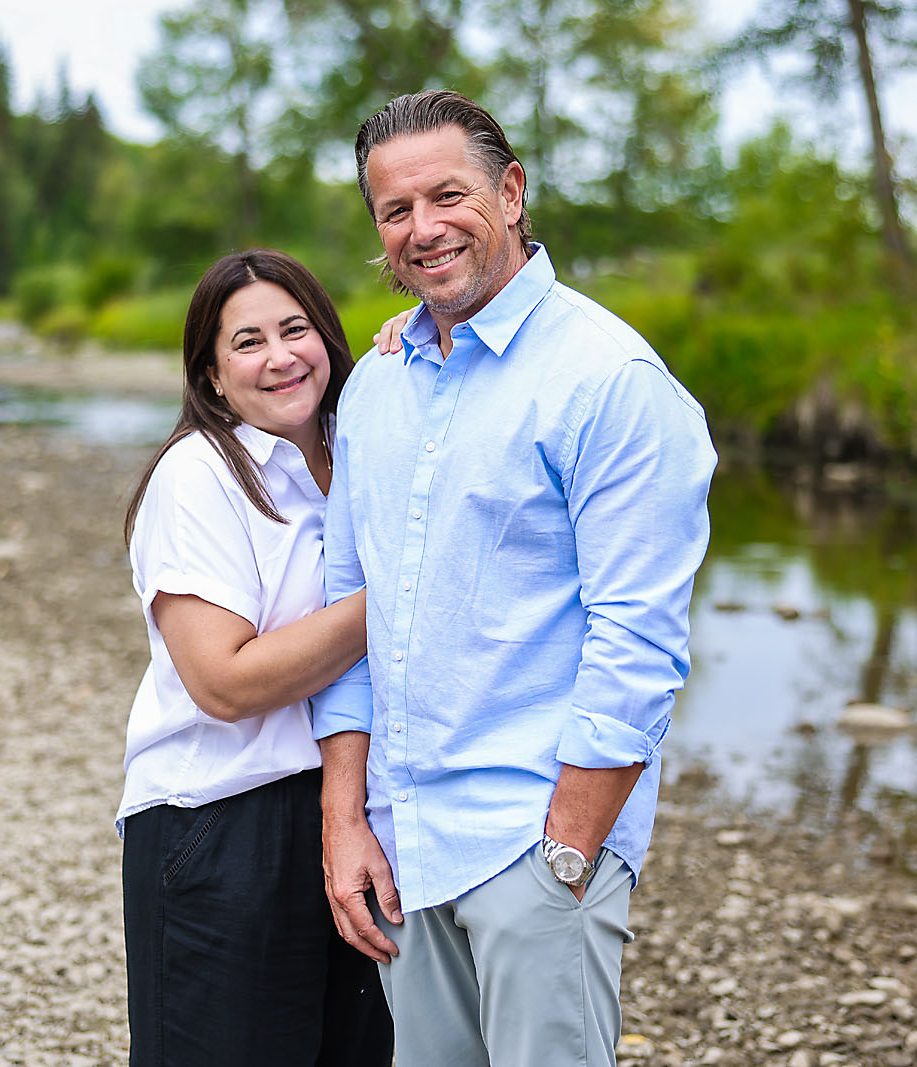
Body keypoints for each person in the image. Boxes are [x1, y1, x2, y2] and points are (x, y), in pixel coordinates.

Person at [314, 90, 719, 1066]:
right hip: (403, 843)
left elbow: (641, 640)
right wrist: (344, 821)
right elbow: (347, 612)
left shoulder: (607, 379)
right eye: (394, 210)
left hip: (530, 844)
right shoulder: (376, 383)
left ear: (510, 189)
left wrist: (568, 851)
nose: (423, 229)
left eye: (446, 195)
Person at [118, 249, 394, 1067]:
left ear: (328, 340)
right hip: (219, 824)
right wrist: (401, 595)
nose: (279, 356)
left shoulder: (363, 454)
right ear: (210, 375)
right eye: (247, 341)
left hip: (356, 811)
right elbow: (226, 682)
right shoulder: (198, 477)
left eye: (296, 329)